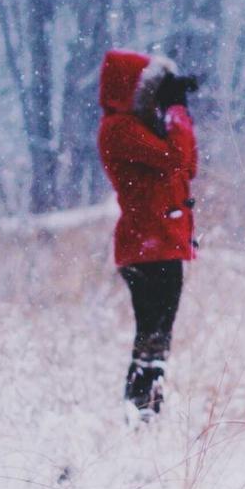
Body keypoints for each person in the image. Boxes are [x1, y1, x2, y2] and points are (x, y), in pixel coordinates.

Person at [96, 49, 199, 417]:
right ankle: (141, 410)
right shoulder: (119, 129)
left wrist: (175, 114)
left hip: (162, 243)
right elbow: (175, 159)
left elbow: (188, 165)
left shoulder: (142, 129)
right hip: (147, 245)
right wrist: (176, 111)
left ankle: (147, 409)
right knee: (152, 335)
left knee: (159, 336)